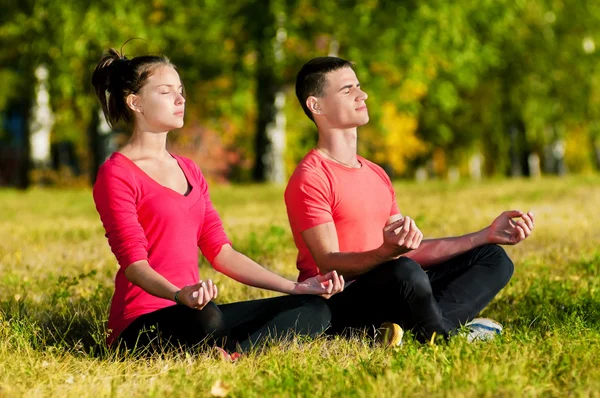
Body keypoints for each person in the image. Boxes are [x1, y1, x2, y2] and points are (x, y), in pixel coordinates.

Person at [91, 49, 345, 356]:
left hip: (196, 311)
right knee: (209, 317)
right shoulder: (116, 173)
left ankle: (231, 356)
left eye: (181, 91)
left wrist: (297, 287)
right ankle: (228, 348)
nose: (180, 99)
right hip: (142, 323)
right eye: (166, 91)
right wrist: (179, 294)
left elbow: (221, 253)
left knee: (314, 309)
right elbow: (134, 265)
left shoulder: (190, 170)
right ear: (136, 102)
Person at [284, 56, 535, 344]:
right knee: (404, 271)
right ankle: (443, 337)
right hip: (338, 306)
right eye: (347, 89)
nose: (362, 94)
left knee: (493, 258)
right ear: (316, 105)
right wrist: (386, 253)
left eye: (359, 86)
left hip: (393, 281)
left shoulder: (375, 173)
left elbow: (406, 252)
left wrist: (485, 235)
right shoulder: (311, 176)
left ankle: (406, 330)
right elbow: (329, 264)